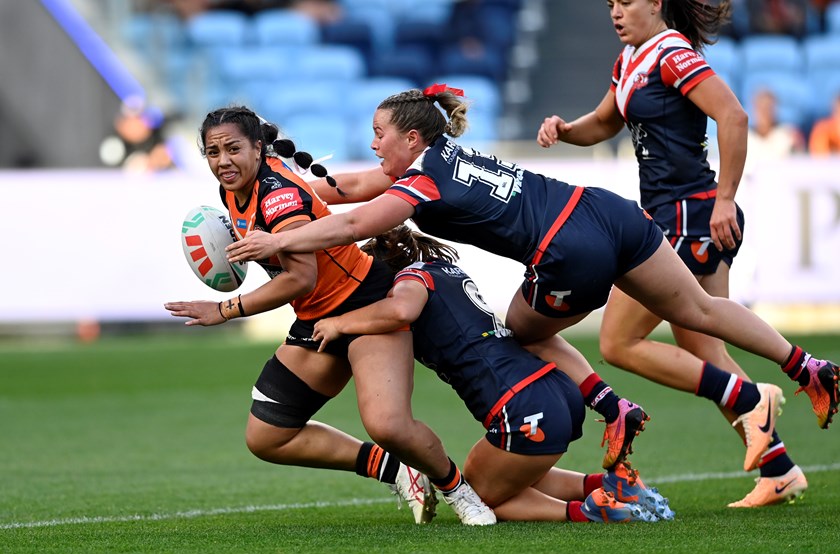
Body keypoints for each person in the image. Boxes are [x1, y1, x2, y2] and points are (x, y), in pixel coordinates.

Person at [225, 82, 840, 493]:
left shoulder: (420, 185)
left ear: (411, 139)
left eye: (380, 132)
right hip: (604, 211)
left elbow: (359, 220)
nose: (372, 142)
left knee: (518, 331)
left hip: (567, 253)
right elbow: (351, 190)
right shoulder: (442, 158)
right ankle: (808, 367)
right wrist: (291, 189)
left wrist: (275, 240)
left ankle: (610, 406)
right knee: (704, 308)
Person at [534, 0, 818, 507]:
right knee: (707, 347)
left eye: (625, 2)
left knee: (619, 342)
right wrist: (565, 129)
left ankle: (759, 396)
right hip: (678, 216)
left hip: (686, 217)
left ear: (656, 4)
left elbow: (732, 115)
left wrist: (726, 198)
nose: (615, 12)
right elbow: (604, 122)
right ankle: (779, 470)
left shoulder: (672, 53)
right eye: (610, 4)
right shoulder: (631, 60)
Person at [164, 105, 496, 526]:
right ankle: (395, 470)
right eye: (213, 152)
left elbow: (301, 278)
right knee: (267, 435)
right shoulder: (232, 188)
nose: (223, 161)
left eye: (233, 149)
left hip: (364, 303)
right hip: (317, 319)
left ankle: (459, 492)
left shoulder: (277, 195)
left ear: (257, 147)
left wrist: (225, 310)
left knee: (389, 425)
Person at [313, 225, 673, 523]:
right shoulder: (446, 272)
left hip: (519, 404)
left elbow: (402, 310)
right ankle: (613, 484)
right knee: (512, 474)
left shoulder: (410, 279)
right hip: (552, 388)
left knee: (480, 493)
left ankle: (587, 511)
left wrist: (340, 323)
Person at [745, 87, 806, 174]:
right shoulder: (745, 138)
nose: (764, 113)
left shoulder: (789, 134)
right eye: (761, 108)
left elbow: (801, 165)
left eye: (768, 108)